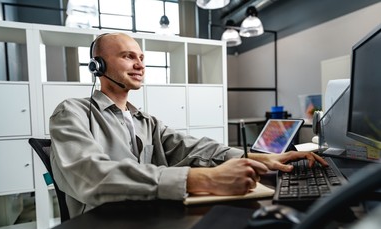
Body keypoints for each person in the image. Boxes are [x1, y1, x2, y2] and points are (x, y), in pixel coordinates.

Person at [50, 32, 327, 218]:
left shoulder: (144, 121)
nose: (139, 65)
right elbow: (92, 174)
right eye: (127, 56)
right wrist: (202, 179)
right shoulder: (72, 112)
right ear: (97, 66)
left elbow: (195, 148)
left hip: (147, 218)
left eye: (142, 58)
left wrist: (260, 158)